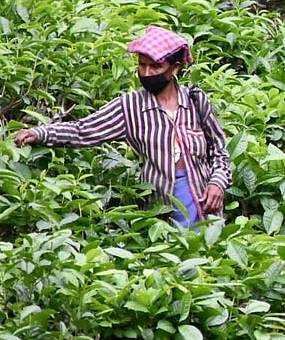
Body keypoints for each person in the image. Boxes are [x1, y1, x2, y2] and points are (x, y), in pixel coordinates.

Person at [15, 26, 232, 228]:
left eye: (155, 66)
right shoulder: (130, 107)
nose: (146, 73)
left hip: (205, 207)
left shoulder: (195, 101)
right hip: (160, 210)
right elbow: (83, 130)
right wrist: (39, 133)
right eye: (142, 65)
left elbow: (219, 150)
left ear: (174, 68)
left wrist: (217, 183)